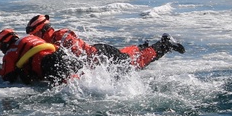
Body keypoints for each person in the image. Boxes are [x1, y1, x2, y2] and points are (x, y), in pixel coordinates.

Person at [24, 14, 184, 70]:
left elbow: (80, 56)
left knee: (135, 64)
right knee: (125, 55)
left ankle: (164, 45)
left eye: (35, 34)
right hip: (100, 53)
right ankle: (141, 47)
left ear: (41, 30)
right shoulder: (55, 39)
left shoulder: (61, 36)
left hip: (101, 56)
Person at [0, 28, 81, 86]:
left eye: (0, 46)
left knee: (68, 87)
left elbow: (8, 77)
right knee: (79, 80)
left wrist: (0, 68)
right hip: (61, 56)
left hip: (48, 65)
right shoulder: (31, 38)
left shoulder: (10, 52)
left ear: (4, 43)